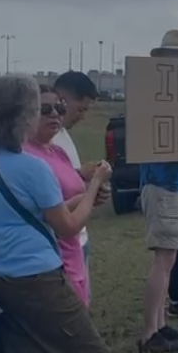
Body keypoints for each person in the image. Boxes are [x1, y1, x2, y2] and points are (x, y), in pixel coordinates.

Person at [0, 76, 120, 353]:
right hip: (39, 280)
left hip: (1, 281)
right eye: (40, 108)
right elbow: (69, 227)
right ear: (25, 115)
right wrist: (93, 188)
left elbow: (22, 212)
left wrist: (76, 199)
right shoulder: (33, 168)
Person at [139, 29, 178, 353]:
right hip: (163, 182)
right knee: (164, 258)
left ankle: (161, 324)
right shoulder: (151, 93)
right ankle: (150, 332)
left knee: (171, 256)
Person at [24, 84, 108, 307]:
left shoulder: (57, 150)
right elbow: (52, 215)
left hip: (74, 251)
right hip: (52, 258)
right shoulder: (26, 157)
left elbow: (73, 192)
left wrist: (92, 192)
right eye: (45, 109)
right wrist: (94, 187)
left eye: (59, 108)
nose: (54, 114)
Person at [50, 71, 104, 295]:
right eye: (80, 109)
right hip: (61, 241)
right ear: (62, 99)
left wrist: (86, 181)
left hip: (78, 237)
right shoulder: (44, 139)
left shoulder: (62, 133)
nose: (82, 116)